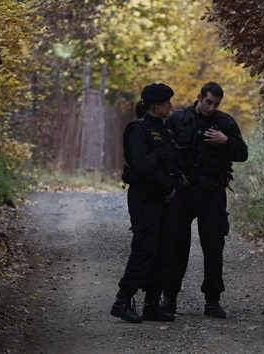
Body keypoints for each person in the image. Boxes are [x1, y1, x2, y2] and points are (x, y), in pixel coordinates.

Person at [161, 82, 248, 318]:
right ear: (199, 97)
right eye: (208, 102)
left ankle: (212, 300)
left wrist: (225, 141)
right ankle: (169, 297)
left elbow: (242, 153)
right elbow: (162, 154)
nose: (211, 108)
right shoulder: (177, 120)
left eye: (216, 104)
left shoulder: (224, 123)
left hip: (211, 192)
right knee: (176, 246)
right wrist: (174, 178)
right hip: (183, 191)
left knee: (213, 247)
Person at [110, 83, 186, 323]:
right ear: (156, 105)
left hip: (163, 199)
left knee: (165, 250)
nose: (171, 107)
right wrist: (167, 185)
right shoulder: (138, 130)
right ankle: (123, 301)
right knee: (144, 250)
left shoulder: (163, 130)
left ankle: (152, 304)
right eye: (167, 103)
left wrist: (174, 185)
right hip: (145, 199)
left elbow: (171, 162)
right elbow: (144, 167)